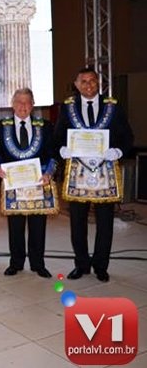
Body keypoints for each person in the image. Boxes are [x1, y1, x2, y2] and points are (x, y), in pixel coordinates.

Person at [54, 68, 134, 282]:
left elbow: (127, 136)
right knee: (77, 222)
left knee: (105, 222)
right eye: (84, 81)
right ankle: (81, 265)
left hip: (105, 172)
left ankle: (101, 266)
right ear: (76, 84)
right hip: (77, 174)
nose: (89, 85)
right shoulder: (68, 107)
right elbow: (57, 137)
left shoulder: (112, 106)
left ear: (99, 83)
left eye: (92, 81)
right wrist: (61, 150)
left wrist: (118, 151)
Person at [0, 88, 56, 278]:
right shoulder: (1, 126)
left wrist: (49, 172)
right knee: (15, 226)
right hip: (13, 183)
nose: (23, 106)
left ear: (33, 105)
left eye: (27, 102)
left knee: (38, 225)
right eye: (19, 102)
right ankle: (16, 263)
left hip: (38, 182)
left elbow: (52, 153)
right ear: (12, 104)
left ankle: (38, 264)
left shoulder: (45, 126)